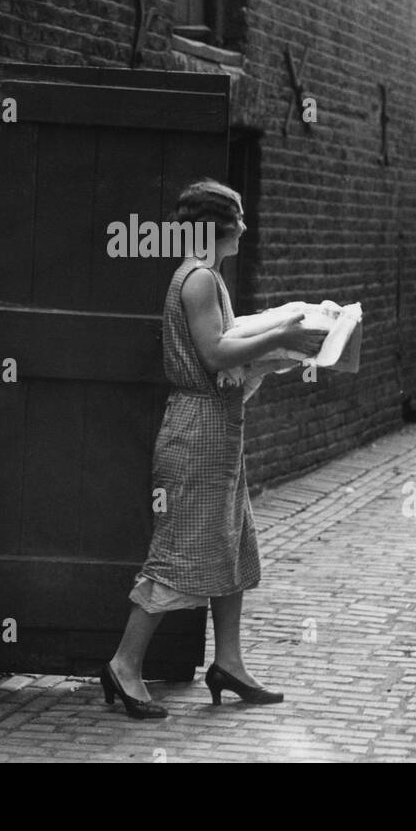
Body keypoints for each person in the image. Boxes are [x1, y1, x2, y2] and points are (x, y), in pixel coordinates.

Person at [101, 179, 326, 718]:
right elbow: (216, 352)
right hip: (197, 432)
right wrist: (280, 339)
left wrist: (278, 337)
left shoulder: (209, 277)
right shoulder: (199, 279)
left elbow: (229, 345)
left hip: (218, 430)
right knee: (178, 549)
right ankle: (124, 665)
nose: (245, 227)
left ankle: (228, 663)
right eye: (239, 218)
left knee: (231, 544)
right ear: (218, 228)